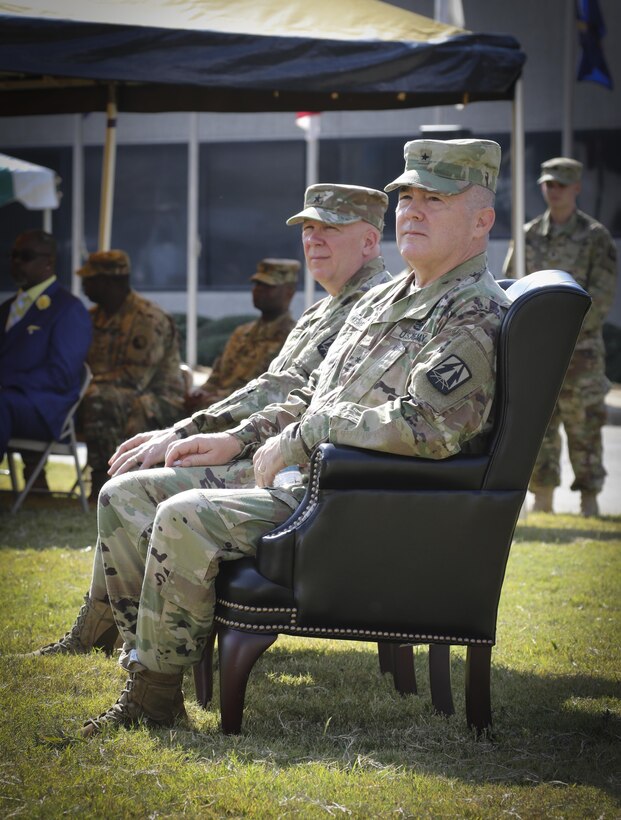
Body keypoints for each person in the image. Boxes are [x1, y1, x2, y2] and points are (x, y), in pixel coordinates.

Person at [69, 137, 511, 738]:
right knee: (138, 497)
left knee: (180, 515)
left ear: (482, 219)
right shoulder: (389, 298)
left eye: (436, 198)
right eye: (407, 196)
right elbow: (307, 392)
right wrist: (240, 438)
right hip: (315, 485)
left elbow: (426, 428)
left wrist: (309, 435)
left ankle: (151, 701)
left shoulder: (473, 312)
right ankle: (147, 681)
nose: (412, 210)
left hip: (361, 506)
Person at [24, 182, 392, 657]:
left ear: (368, 241)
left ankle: (139, 647)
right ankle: (116, 632)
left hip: (302, 474)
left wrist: (189, 431)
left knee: (132, 488)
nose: (313, 240)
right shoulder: (326, 308)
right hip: (276, 457)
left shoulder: (370, 306)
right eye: (308, 228)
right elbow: (275, 387)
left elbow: (281, 393)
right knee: (131, 482)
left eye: (330, 228)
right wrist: (190, 430)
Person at [503, 157, 617, 516]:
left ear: (577, 188)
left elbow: (601, 294)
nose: (553, 191)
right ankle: (543, 500)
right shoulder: (528, 234)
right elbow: (513, 286)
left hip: (581, 353)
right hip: (539, 353)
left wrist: (562, 331)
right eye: (548, 185)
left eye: (561, 185)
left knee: (584, 426)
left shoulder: (595, 237)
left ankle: (589, 500)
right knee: (540, 429)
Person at [77, 250, 185, 499]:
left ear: (112, 281)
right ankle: (36, 473)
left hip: (160, 401)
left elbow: (135, 379)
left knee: (100, 398)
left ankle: (104, 478)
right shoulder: (91, 318)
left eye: (91, 279)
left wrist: (86, 388)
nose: (84, 284)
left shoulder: (147, 318)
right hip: (112, 392)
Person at [0, 230, 92, 486]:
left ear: (49, 262)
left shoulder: (68, 309)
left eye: (25, 256)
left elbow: (61, 374)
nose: (16, 262)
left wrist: (6, 383)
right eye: (13, 255)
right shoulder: (7, 308)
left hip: (45, 408)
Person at [185, 258, 299, 411]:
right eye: (257, 284)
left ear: (289, 292)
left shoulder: (294, 338)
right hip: (213, 410)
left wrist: (214, 399)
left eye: (267, 286)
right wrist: (200, 393)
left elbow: (270, 392)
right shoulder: (241, 333)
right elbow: (217, 377)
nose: (258, 290)